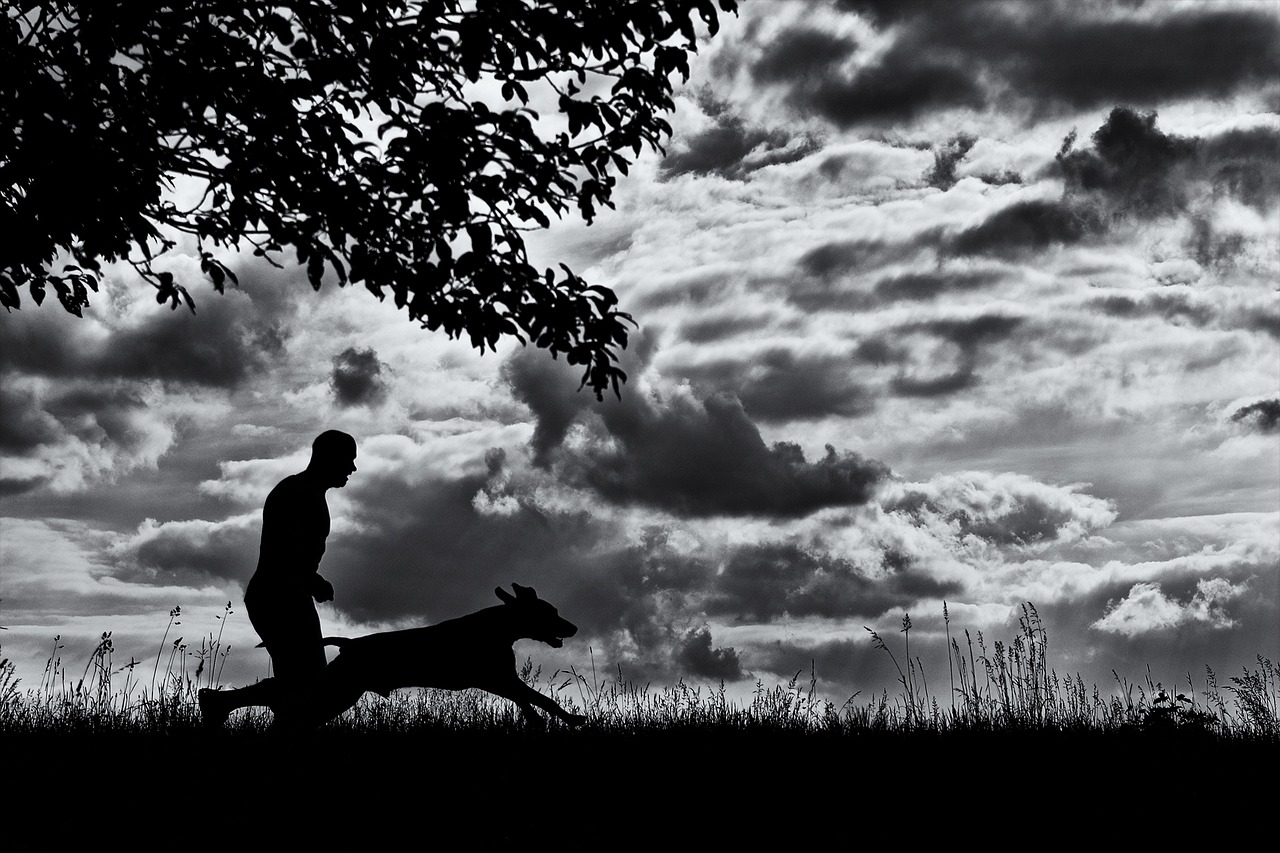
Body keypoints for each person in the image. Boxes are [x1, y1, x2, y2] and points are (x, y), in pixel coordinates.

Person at [199, 429, 357, 729]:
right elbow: (282, 551)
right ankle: (230, 709)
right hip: (278, 596)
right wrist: (314, 581)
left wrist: (310, 582)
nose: (352, 468)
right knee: (310, 685)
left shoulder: (307, 493)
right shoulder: (297, 492)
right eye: (348, 459)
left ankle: (222, 704)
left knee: (303, 683)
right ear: (329, 458)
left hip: (286, 594)